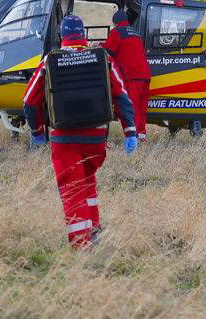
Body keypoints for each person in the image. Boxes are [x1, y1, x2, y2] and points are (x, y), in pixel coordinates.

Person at [23, 14, 139, 247]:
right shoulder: (102, 57)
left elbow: (29, 100)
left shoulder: (50, 61)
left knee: (72, 188)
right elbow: (121, 95)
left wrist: (37, 131)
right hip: (96, 138)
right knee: (87, 180)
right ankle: (94, 229)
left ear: (62, 36)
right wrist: (130, 131)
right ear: (83, 35)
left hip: (64, 138)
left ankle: (81, 244)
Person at [103, 7, 151, 142]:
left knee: (132, 107)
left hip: (132, 76)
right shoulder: (136, 33)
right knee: (141, 108)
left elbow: (107, 53)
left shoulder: (117, 32)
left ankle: (133, 137)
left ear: (116, 22)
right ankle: (141, 136)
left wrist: (98, 47)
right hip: (145, 76)